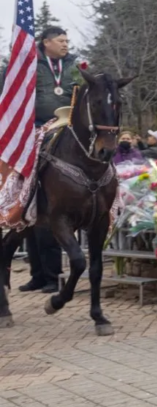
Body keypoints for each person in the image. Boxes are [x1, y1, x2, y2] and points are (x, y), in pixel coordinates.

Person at [3, 26, 79, 293]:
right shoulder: (30, 65)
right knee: (30, 213)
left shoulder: (74, 66)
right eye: (61, 40)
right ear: (46, 42)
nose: (66, 44)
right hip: (33, 132)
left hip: (65, 131)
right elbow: (9, 89)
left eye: (67, 40)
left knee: (46, 212)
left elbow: (82, 94)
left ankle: (52, 276)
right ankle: (37, 275)